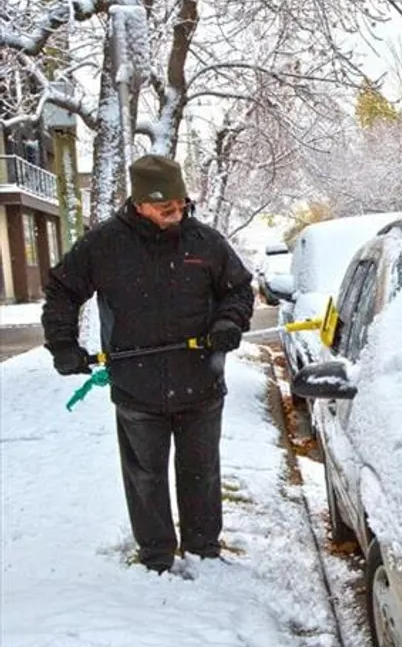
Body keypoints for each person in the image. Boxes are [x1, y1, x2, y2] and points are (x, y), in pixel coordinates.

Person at [42, 155, 255, 574]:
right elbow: (62, 291)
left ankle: (203, 552)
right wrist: (62, 344)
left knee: (202, 473)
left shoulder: (204, 242)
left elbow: (239, 290)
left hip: (200, 382)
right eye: (165, 209)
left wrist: (228, 322)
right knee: (146, 478)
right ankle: (156, 558)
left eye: (181, 206)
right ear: (139, 203)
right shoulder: (103, 245)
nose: (176, 216)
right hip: (136, 387)